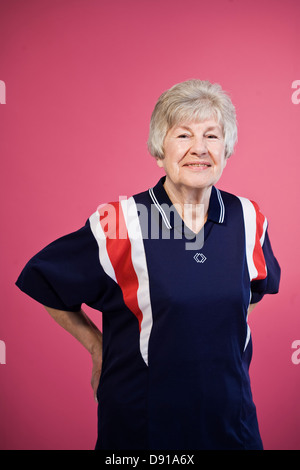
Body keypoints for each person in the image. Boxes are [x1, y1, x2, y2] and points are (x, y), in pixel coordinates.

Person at [16, 79, 281, 450]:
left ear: (227, 148)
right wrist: (96, 346)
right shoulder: (121, 221)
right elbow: (44, 280)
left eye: (212, 136)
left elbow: (254, 291)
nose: (199, 149)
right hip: (143, 425)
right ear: (160, 151)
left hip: (231, 422)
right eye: (183, 136)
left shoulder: (249, 217)